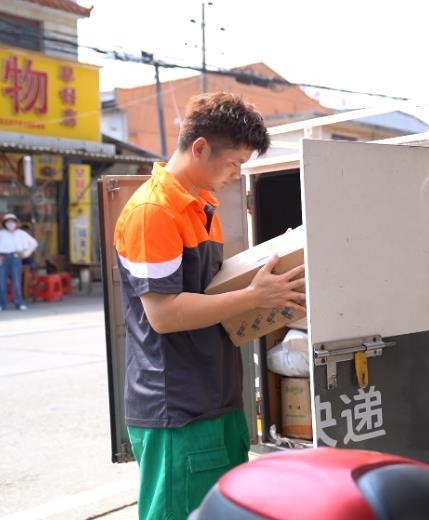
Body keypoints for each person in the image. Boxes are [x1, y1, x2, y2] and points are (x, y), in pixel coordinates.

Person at [114, 92, 305, 519]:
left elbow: (210, 295)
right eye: (234, 163)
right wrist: (255, 297)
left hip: (215, 397)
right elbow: (163, 315)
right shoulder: (153, 211)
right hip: (177, 407)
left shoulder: (202, 207)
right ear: (200, 148)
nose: (236, 174)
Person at [0, 213, 38, 311]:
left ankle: (19, 303)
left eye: (12, 222)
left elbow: (34, 243)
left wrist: (25, 254)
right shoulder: (1, 234)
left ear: (16, 223)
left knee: (16, 282)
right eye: (8, 222)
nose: (10, 224)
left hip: (16, 257)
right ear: (4, 224)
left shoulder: (21, 233)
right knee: (2, 283)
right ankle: (1, 304)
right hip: (3, 258)